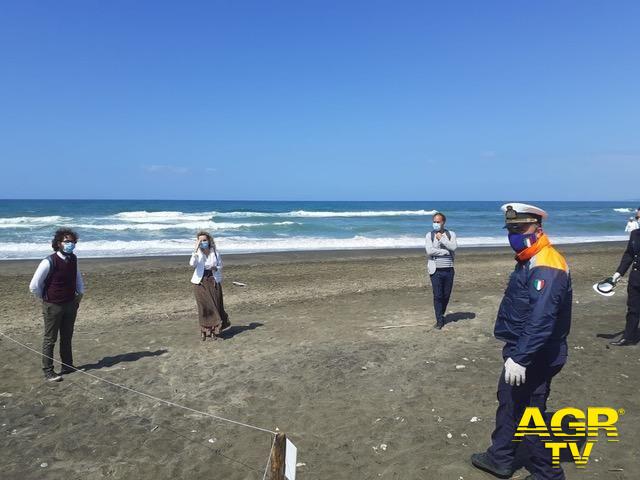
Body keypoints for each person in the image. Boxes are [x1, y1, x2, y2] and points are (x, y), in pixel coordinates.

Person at [471, 203, 572, 480]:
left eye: (520, 228)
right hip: (523, 349)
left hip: (537, 353)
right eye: (511, 229)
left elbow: (542, 319)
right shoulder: (529, 257)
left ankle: (548, 474)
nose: (514, 234)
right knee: (509, 401)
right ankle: (500, 457)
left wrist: (521, 358)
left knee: (529, 412)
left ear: (538, 228)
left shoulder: (547, 264)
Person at [29, 228, 85, 382]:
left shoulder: (73, 258)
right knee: (50, 339)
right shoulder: (49, 261)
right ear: (59, 243)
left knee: (67, 337)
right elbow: (34, 286)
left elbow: (77, 278)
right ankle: (48, 371)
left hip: (70, 304)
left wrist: (79, 295)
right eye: (67, 241)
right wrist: (47, 298)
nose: (70, 244)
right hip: (53, 306)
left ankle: (67, 366)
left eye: (73, 241)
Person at [189, 231, 230, 341]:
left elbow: (220, 265)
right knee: (204, 307)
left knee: (215, 306)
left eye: (204, 240)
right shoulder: (197, 253)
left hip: (213, 280)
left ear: (209, 240)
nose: (203, 242)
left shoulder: (215, 252)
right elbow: (192, 264)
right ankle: (204, 330)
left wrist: (215, 268)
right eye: (200, 240)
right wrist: (195, 250)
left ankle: (214, 330)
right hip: (200, 282)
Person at [607, 226, 640, 346]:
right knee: (633, 309)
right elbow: (629, 255)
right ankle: (628, 337)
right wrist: (618, 273)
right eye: (638, 217)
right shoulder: (635, 234)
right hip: (636, 278)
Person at [425, 212, 458, 329]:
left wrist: (442, 239)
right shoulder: (429, 235)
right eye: (434, 222)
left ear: (443, 222)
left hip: (449, 269)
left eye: (438, 222)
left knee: (446, 295)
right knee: (438, 295)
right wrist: (445, 252)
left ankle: (441, 314)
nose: (435, 224)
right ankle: (439, 320)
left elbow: (453, 247)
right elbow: (429, 251)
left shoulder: (451, 234)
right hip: (435, 270)